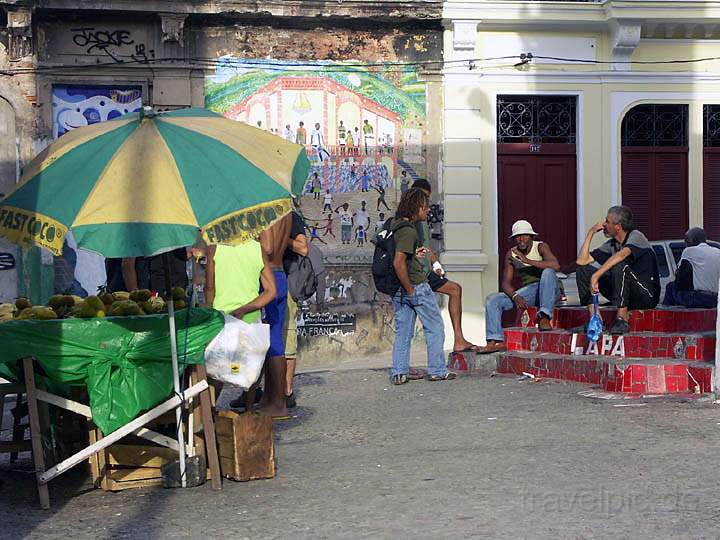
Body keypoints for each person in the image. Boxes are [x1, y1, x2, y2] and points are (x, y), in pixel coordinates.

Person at [390, 187, 455, 384]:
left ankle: (399, 372)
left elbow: (404, 257)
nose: (428, 211)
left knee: (404, 331)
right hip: (415, 286)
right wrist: (411, 288)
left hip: (398, 289)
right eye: (425, 207)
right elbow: (398, 261)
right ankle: (437, 369)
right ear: (417, 207)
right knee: (435, 326)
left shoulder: (396, 225)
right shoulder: (409, 231)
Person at [409, 180, 481, 353]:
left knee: (455, 290)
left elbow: (425, 244)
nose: (424, 204)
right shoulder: (410, 220)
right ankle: (436, 366)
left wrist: (435, 263)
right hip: (417, 273)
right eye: (422, 198)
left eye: (426, 198)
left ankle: (458, 339)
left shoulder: (422, 219)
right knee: (426, 323)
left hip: (426, 271)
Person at [204, 239, 277, 409]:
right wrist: (246, 308)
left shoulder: (215, 247)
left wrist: (208, 314)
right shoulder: (257, 248)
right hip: (250, 321)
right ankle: (249, 410)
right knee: (249, 370)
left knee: (217, 370)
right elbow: (272, 290)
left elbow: (209, 289)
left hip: (222, 320)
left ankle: (210, 412)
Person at [575, 205, 659, 335]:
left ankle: (622, 319)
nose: (604, 224)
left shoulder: (636, 236)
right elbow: (581, 261)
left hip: (646, 295)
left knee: (619, 265)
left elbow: (622, 255)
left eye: (607, 221)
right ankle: (595, 319)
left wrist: (596, 275)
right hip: (624, 293)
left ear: (617, 226)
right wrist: (590, 233)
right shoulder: (612, 244)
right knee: (583, 270)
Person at [479, 220, 561, 354]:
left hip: (550, 289)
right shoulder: (511, 254)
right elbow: (505, 283)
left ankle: (545, 316)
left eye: (525, 235)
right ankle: (495, 341)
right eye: (518, 236)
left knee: (548, 271)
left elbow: (555, 265)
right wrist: (515, 296)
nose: (521, 239)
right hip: (532, 292)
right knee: (493, 299)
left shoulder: (540, 246)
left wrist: (527, 261)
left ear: (531, 237)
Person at [283, 210, 309, 409]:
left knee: (288, 340)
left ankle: (287, 391)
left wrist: (281, 238)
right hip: (256, 285)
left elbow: (303, 248)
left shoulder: (291, 218)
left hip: (286, 284)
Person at [663, 227, 719, 309]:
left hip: (700, 299)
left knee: (670, 286)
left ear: (692, 240)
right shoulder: (717, 251)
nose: (685, 244)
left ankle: (667, 317)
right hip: (716, 299)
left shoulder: (689, 251)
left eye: (686, 240)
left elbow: (680, 279)